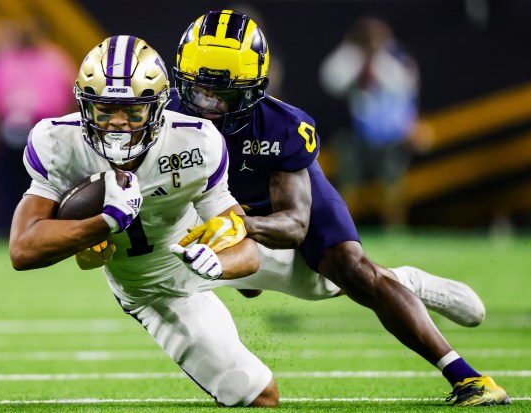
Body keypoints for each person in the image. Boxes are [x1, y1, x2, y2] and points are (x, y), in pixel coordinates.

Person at [168, 10, 510, 406]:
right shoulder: (165, 115)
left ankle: (468, 377)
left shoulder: (281, 128)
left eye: (223, 95)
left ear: (253, 90)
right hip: (219, 205)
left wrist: (237, 224)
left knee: (349, 271)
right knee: (269, 287)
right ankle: (404, 281)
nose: (208, 106)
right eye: (198, 91)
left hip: (274, 207)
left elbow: (295, 225)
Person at [9, 35, 280, 407]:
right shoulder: (56, 140)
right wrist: (104, 223)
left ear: (157, 109)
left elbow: (247, 249)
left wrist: (220, 263)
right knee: (257, 394)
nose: (118, 124)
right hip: (157, 288)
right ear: (84, 106)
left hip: (200, 248)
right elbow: (22, 249)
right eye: (105, 109)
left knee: (340, 268)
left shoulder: (196, 142)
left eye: (133, 110)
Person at [0, 18, 77, 234]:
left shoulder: (56, 60)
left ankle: (39, 228)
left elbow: (70, 97)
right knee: (5, 184)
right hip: (6, 131)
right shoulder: (4, 59)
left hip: (45, 131)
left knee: (42, 182)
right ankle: (5, 230)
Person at [319, 16, 420, 228]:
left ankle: (396, 230)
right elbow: (331, 81)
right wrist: (352, 54)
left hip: (386, 134)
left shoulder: (392, 60)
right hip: (351, 133)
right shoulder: (348, 59)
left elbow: (403, 86)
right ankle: (343, 228)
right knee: (348, 182)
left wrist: (378, 61)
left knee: (391, 182)